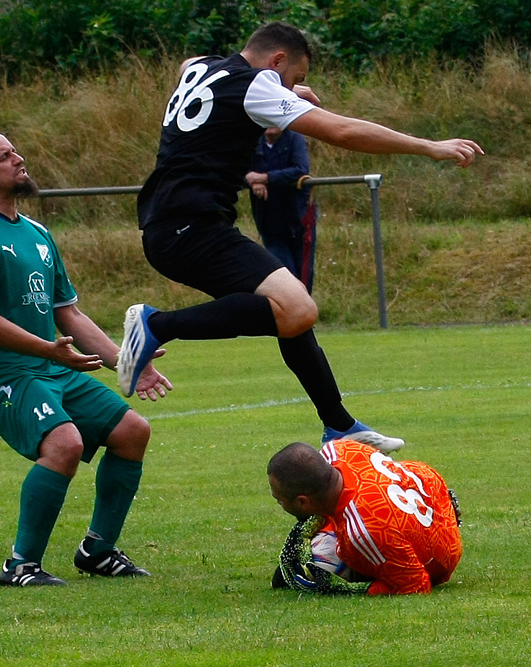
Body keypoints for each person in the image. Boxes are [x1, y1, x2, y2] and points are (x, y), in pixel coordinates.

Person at [119, 21, 482, 450]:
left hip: (173, 225)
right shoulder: (257, 85)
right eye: (297, 77)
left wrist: (286, 91)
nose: (296, 86)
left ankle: (340, 425)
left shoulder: (203, 68)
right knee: (297, 309)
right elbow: (342, 130)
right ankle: (156, 323)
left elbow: (188, 62)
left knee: (289, 309)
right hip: (190, 226)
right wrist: (430, 146)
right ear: (276, 61)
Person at [0, 128, 172, 586]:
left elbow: (67, 312)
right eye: (5, 157)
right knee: (63, 444)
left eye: (15, 151)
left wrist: (128, 362)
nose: (18, 158)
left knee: (132, 431)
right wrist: (47, 349)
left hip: (47, 364)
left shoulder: (37, 233)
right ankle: (21, 564)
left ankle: (98, 550)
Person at [267, 439, 463, 595]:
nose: (279, 504)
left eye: (280, 500)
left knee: (334, 557)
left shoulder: (363, 532)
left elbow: (416, 584)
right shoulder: (337, 449)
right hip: (422, 481)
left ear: (303, 502)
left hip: (441, 550)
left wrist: (349, 588)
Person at [246, 127, 317, 292]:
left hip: (299, 217)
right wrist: (253, 181)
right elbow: (236, 171)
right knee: (284, 273)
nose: (271, 124)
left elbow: (301, 169)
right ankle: (290, 311)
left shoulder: (295, 138)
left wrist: (265, 178)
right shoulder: (252, 141)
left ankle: (304, 312)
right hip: (269, 221)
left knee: (304, 273)